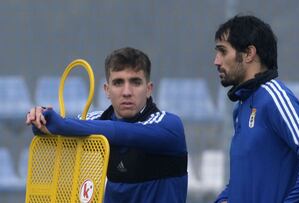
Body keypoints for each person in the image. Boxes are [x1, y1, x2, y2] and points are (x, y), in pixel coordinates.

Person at [26, 47, 188, 203]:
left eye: (135, 82)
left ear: (148, 89)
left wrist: (61, 125)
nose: (126, 92)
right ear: (107, 90)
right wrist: (40, 120)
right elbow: (53, 129)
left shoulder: (169, 126)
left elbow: (123, 132)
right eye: (118, 83)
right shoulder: (95, 121)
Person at [213, 15, 299, 203]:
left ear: (249, 53)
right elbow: (244, 179)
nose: (217, 61)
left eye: (223, 51)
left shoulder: (275, 97)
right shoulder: (241, 107)